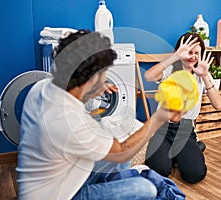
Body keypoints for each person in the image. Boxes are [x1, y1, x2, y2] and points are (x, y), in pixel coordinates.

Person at [16, 30, 185, 200]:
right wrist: (158, 118)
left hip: (56, 177)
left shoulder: (43, 87)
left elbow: (74, 105)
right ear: (91, 78)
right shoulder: (68, 122)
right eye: (104, 74)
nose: (106, 79)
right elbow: (122, 151)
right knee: (145, 188)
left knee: (121, 163)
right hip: (60, 196)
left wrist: (89, 93)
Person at [144, 32, 221, 184]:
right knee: (160, 170)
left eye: (196, 53)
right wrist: (175, 57)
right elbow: (148, 76)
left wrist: (206, 76)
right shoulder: (171, 70)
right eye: (188, 52)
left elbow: (218, 105)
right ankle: (172, 153)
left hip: (185, 130)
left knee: (195, 175)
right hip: (162, 128)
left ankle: (190, 149)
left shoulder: (202, 74)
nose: (192, 56)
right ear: (180, 51)